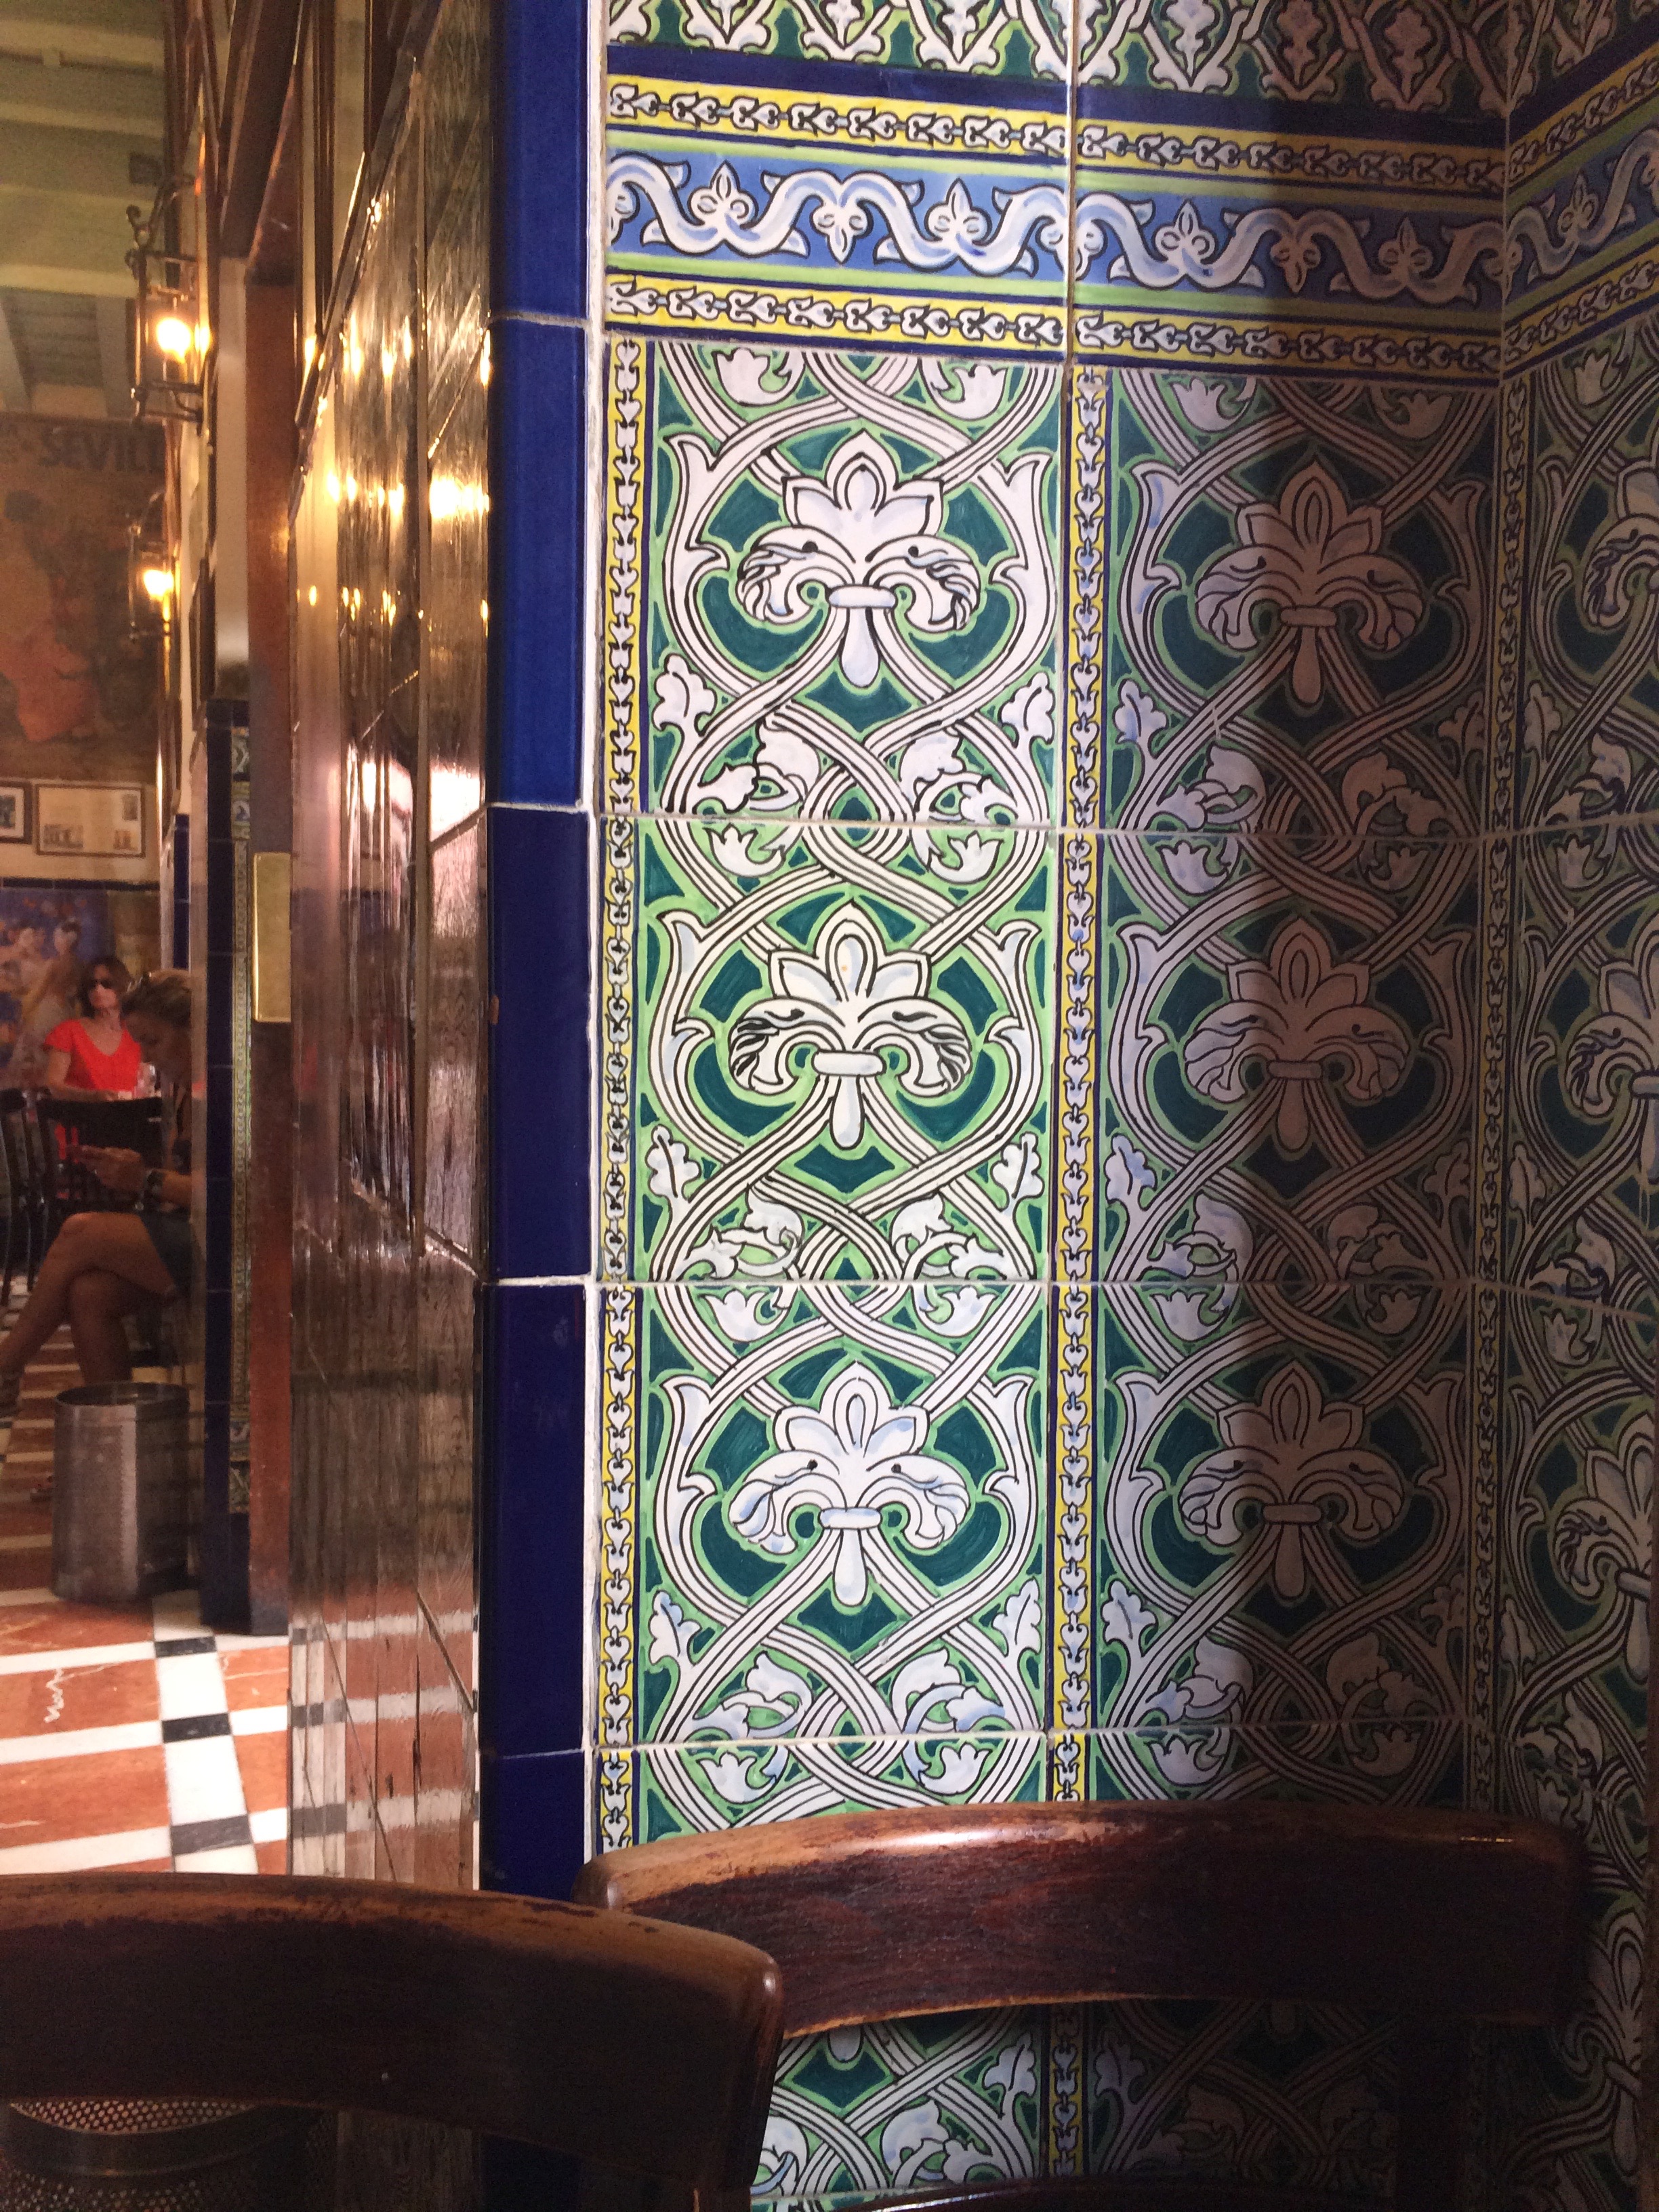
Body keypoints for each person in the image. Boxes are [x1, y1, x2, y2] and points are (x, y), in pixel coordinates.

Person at [0, 970, 193, 1415]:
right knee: (89, 1294)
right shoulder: (185, 1088)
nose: (146, 1055)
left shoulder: (225, 1086)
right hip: (189, 1224)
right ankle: (113, 1431)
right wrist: (136, 1172)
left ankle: (6, 1366)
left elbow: (231, 1190)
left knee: (79, 1230)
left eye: (153, 1041)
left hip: (226, 1240)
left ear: (194, 1028)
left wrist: (145, 1179)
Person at [42, 956, 144, 1097]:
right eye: (92, 985)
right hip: (83, 1111)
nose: (98, 989)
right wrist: (92, 1097)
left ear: (123, 987)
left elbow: (146, 1083)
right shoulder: (68, 1032)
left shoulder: (136, 1033)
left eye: (107, 984)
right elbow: (54, 1086)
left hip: (131, 1110)